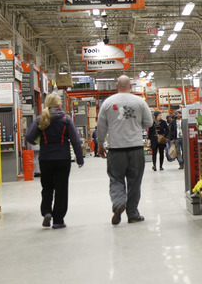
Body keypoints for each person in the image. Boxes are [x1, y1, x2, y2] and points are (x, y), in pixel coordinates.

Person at [97, 75, 153, 225]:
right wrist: (134, 125)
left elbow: (101, 126)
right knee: (134, 182)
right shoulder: (140, 102)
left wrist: (100, 144)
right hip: (136, 148)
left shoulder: (108, 103)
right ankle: (133, 214)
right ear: (131, 86)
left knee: (116, 179)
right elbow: (149, 122)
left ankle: (119, 203)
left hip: (116, 149)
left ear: (116, 85)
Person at [24, 93, 84, 229]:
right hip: (63, 159)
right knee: (61, 189)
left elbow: (29, 136)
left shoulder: (41, 118)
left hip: (45, 159)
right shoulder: (66, 119)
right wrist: (79, 158)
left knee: (47, 187)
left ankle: (46, 212)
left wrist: (38, 141)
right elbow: (74, 140)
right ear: (59, 104)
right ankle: (58, 220)